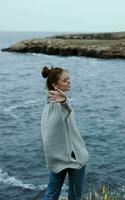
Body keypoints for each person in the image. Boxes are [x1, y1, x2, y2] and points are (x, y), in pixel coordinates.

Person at [41, 66, 89, 200]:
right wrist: (64, 100)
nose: (69, 82)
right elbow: (65, 108)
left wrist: (63, 100)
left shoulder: (48, 101)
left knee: (51, 194)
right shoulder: (57, 103)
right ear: (55, 85)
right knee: (74, 195)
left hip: (57, 157)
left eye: (69, 79)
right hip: (73, 158)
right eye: (65, 80)